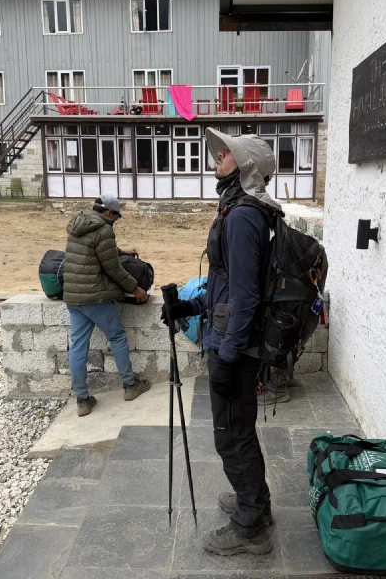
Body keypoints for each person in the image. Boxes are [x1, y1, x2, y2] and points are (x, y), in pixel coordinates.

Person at [162, 128, 282, 556]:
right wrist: (190, 309)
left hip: (236, 348)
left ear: (244, 165)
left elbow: (247, 294)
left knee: (231, 435)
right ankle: (257, 502)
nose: (218, 155)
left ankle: (250, 526)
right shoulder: (237, 208)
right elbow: (224, 285)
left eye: (226, 152)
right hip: (230, 338)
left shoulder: (244, 216)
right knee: (238, 430)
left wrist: (228, 356)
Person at [64, 195, 151, 417]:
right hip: (96, 297)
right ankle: (130, 386)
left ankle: (82, 400)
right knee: (117, 337)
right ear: (108, 213)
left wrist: (121, 251)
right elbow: (113, 269)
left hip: (74, 296)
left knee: (78, 347)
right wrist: (136, 289)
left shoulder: (78, 223)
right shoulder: (104, 229)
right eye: (116, 216)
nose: (116, 220)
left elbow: (92, 251)